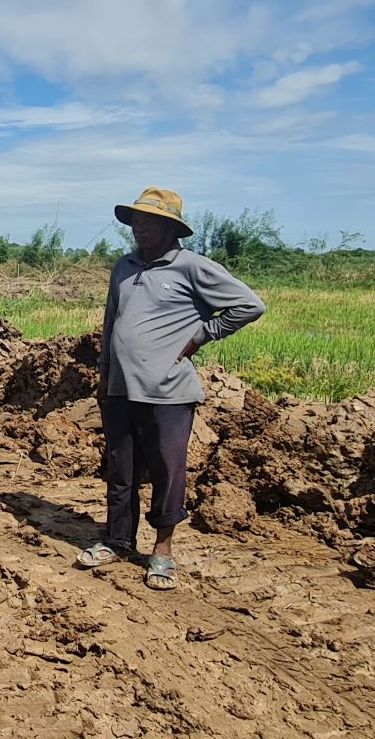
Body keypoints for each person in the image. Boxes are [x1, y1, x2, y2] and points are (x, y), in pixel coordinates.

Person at [78, 187, 265, 591]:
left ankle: (162, 551)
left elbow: (250, 305)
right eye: (136, 221)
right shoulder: (124, 266)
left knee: (167, 473)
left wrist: (201, 335)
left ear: (170, 228)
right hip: (120, 389)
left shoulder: (192, 267)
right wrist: (104, 374)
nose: (139, 228)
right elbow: (111, 323)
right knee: (121, 470)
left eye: (149, 222)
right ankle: (117, 540)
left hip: (168, 393)